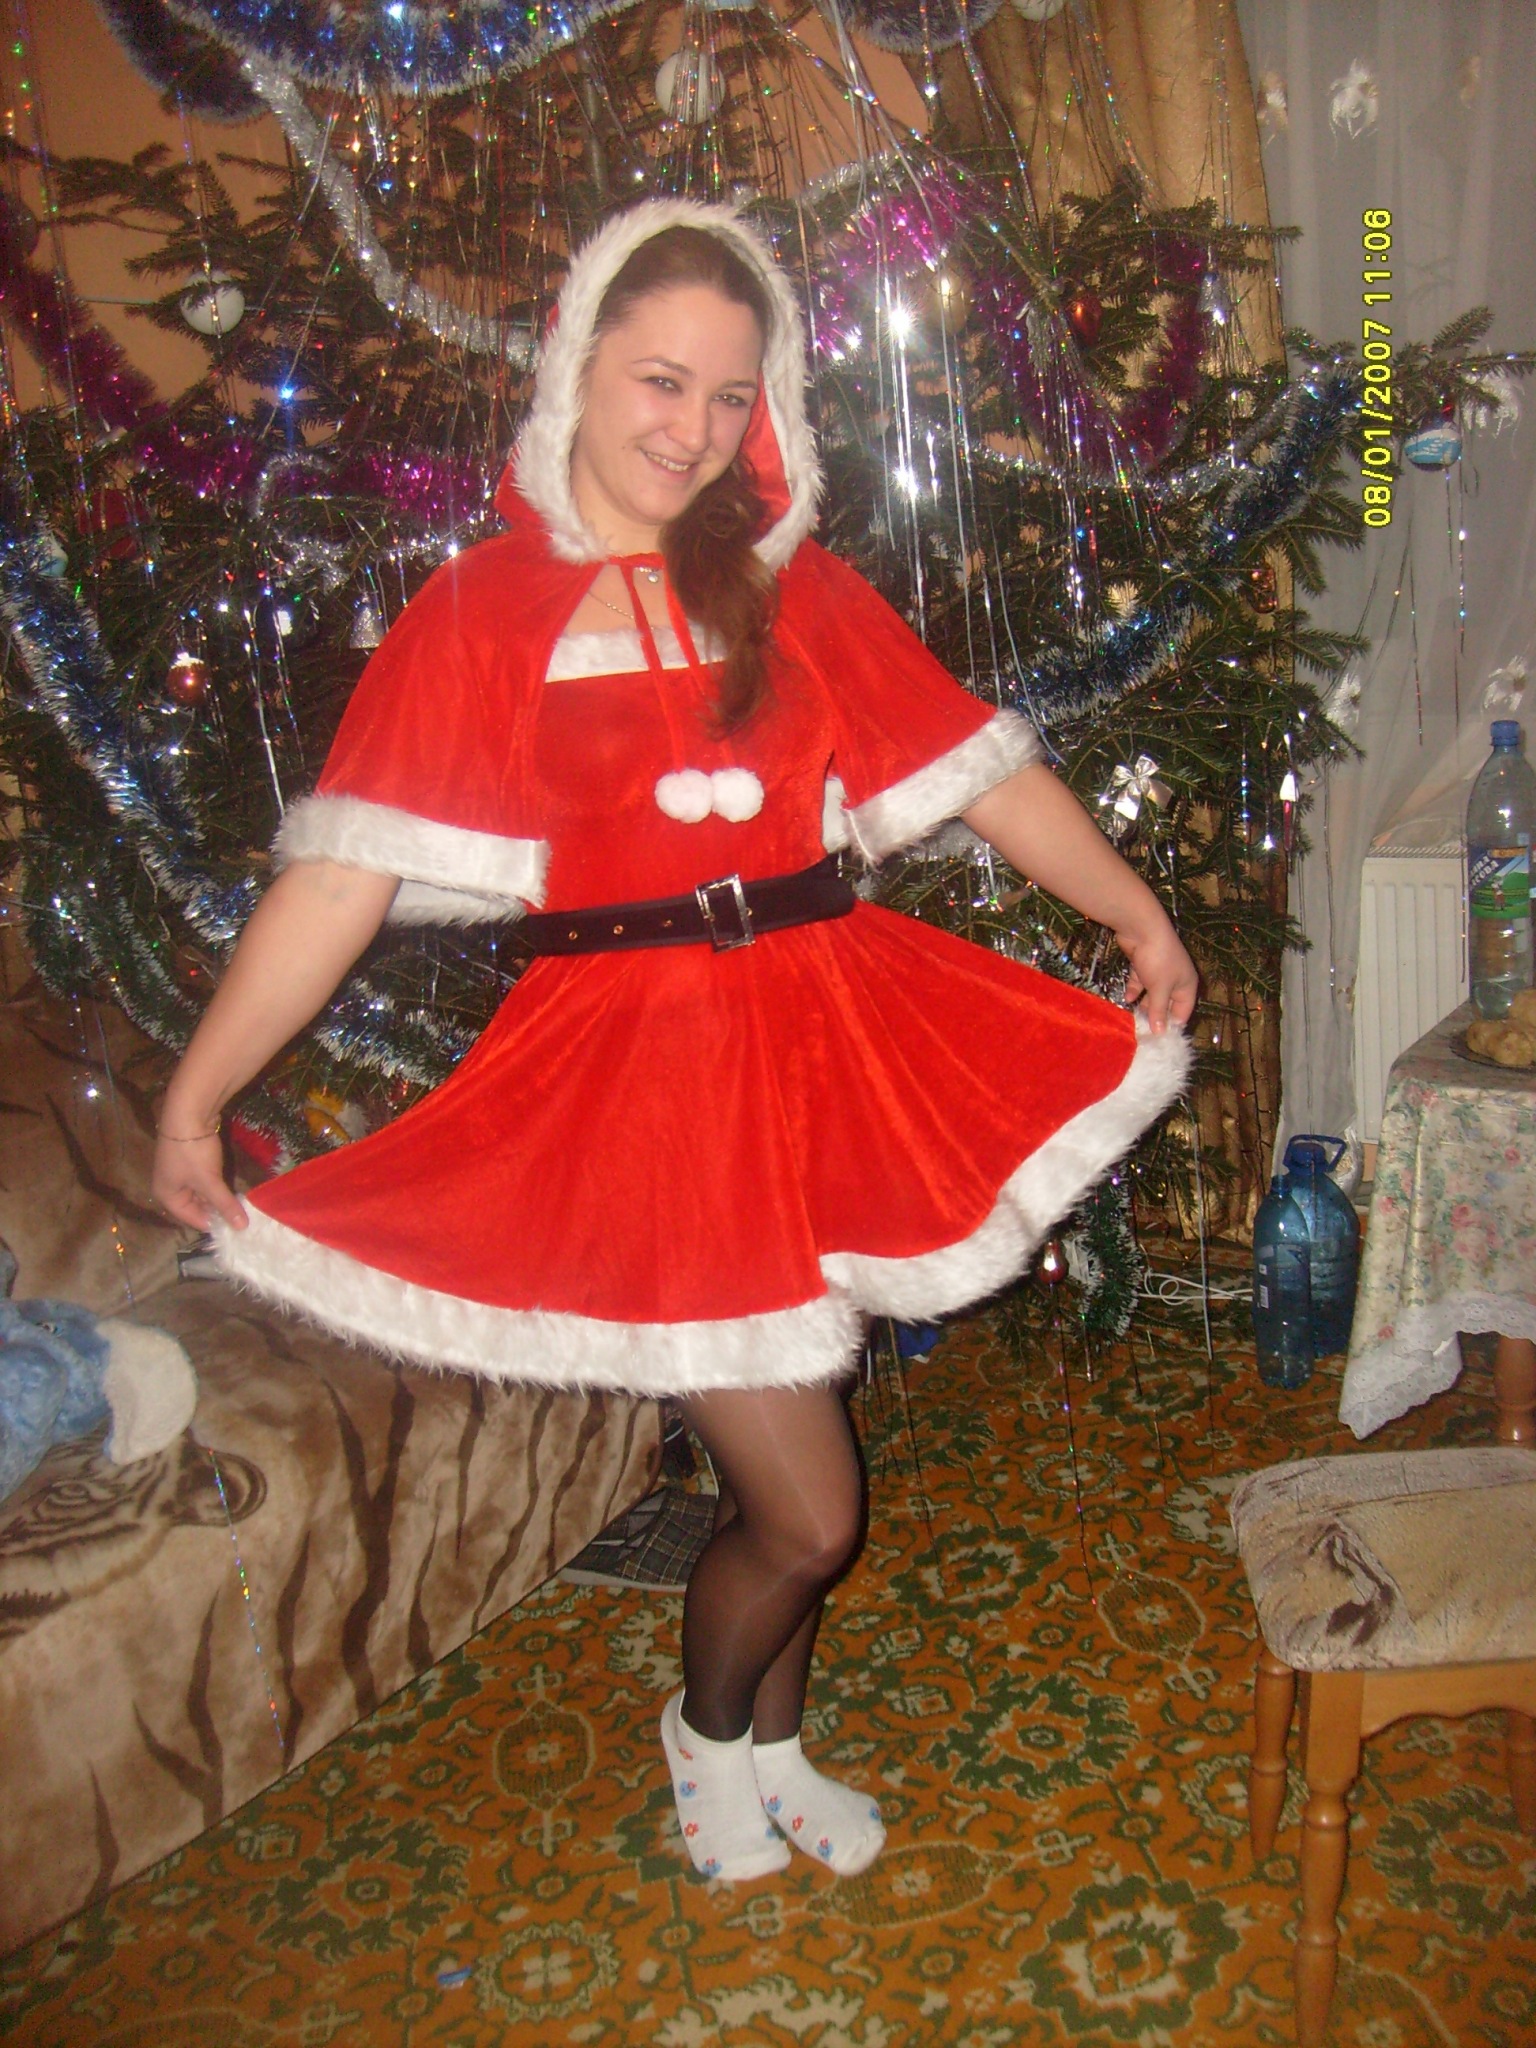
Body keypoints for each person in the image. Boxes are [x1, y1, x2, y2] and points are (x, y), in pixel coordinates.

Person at [153, 200, 1197, 1885]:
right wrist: (200, 1094)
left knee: (803, 1436)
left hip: (820, 1032)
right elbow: (339, 877)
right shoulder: (482, 610)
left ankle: (774, 1749)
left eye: (730, 393)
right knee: (813, 1511)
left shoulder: (795, 585)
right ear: (576, 369)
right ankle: (706, 1738)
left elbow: (979, 773)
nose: (694, 428)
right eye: (660, 381)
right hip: (641, 1086)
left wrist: (1134, 911)